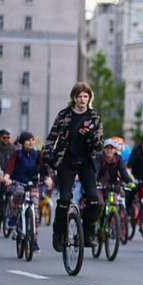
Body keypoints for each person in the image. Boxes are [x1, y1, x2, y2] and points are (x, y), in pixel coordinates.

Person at [43, 82, 104, 251]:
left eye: (85, 96)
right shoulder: (64, 114)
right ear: (74, 97)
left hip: (87, 161)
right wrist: (47, 154)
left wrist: (90, 135)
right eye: (79, 96)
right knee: (64, 199)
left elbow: (99, 146)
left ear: (89, 98)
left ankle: (87, 231)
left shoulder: (94, 117)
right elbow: (52, 136)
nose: (82, 99)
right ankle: (59, 231)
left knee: (94, 200)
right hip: (66, 160)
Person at [3, 132, 53, 252]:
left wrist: (47, 178)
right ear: (22, 142)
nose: (31, 142)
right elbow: (10, 167)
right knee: (18, 192)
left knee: (35, 213)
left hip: (33, 184)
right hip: (19, 182)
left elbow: (43, 167)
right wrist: (7, 177)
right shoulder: (17, 154)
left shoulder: (37, 154)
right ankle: (14, 216)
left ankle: (34, 241)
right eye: (28, 140)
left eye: (32, 140)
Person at [95, 138, 135, 210]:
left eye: (111, 148)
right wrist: (94, 181)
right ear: (104, 149)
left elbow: (123, 172)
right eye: (107, 148)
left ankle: (114, 219)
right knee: (100, 203)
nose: (109, 150)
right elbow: (95, 170)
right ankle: (96, 219)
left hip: (113, 185)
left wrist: (129, 182)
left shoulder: (118, 159)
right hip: (100, 185)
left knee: (115, 203)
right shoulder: (99, 158)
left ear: (115, 150)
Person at [0, 129, 15, 229]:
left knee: (14, 195)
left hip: (9, 177)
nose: (6, 140)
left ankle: (11, 218)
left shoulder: (12, 148)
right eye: (4, 138)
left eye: (8, 138)